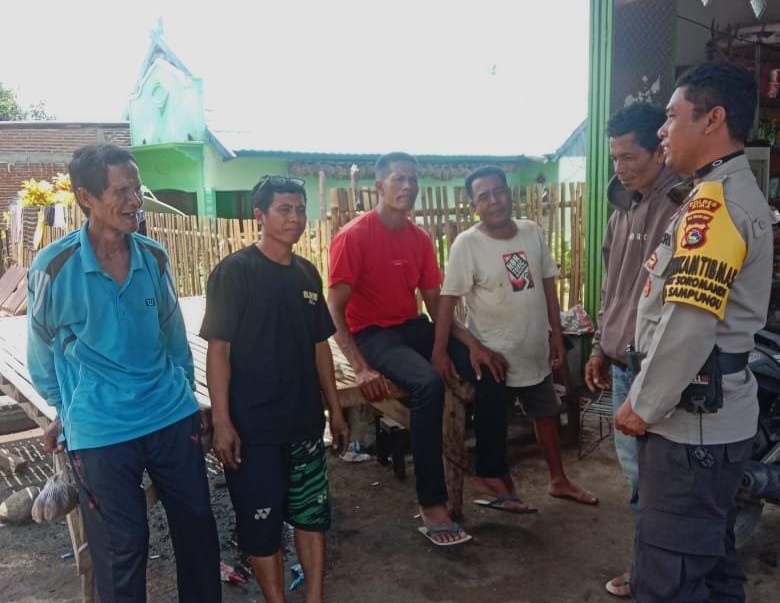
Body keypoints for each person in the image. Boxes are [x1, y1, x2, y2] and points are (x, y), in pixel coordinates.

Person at [27, 143, 221, 603]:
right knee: (122, 547)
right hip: (101, 430)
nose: (135, 201)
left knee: (197, 526)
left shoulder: (153, 256)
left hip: (169, 414)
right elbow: (40, 352)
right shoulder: (54, 268)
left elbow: (173, 336)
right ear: (86, 198)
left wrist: (185, 394)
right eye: (121, 191)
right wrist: (66, 412)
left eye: (137, 189)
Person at [615, 61, 773, 603]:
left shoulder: (715, 204)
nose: (662, 130)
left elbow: (688, 323)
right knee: (712, 566)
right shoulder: (720, 192)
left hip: (690, 430)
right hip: (709, 424)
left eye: (671, 116)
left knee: (670, 578)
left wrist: (643, 404)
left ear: (713, 119)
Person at [200, 176, 349, 603]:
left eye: (300, 209)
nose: (295, 218)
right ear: (259, 216)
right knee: (262, 529)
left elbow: (320, 346)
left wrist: (336, 410)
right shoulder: (235, 272)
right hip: (254, 429)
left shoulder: (306, 273)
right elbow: (219, 350)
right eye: (284, 209)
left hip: (304, 424)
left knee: (312, 518)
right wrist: (223, 421)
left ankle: (315, 598)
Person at [327, 152, 485, 546]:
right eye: (399, 179)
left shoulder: (419, 239)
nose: (408, 186)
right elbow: (334, 310)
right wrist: (361, 367)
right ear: (379, 186)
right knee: (427, 383)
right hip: (371, 334)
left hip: (410, 326)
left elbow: (435, 305)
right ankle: (432, 502)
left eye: (413, 179)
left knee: (486, 365)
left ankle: (491, 472)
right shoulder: (354, 236)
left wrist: (470, 344)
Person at [433, 165, 597, 515]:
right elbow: (447, 300)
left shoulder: (531, 231)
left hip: (533, 348)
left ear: (510, 194)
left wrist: (555, 335)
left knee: (546, 413)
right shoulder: (467, 244)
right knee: (494, 424)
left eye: (499, 192)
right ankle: (498, 487)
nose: (494, 201)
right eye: (484, 196)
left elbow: (548, 285)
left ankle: (558, 480)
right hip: (495, 356)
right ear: (474, 205)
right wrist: (440, 351)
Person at [583, 103, 681, 597]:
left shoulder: (680, 207)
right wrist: (599, 346)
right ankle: (653, 567)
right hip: (622, 362)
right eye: (614, 157)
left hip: (657, 367)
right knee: (639, 477)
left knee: (658, 481)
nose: (619, 168)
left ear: (659, 150)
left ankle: (655, 574)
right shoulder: (622, 207)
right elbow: (613, 289)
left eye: (629, 157)